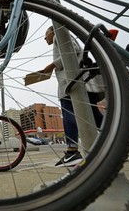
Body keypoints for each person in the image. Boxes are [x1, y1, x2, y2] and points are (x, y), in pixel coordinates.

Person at [42, 26, 103, 167]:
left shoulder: (59, 35)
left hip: (72, 84)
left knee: (68, 113)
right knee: (96, 117)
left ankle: (72, 151)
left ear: (52, 31)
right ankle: (118, 140)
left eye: (46, 35)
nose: (45, 38)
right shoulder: (61, 37)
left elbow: (72, 50)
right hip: (83, 83)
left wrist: (52, 65)